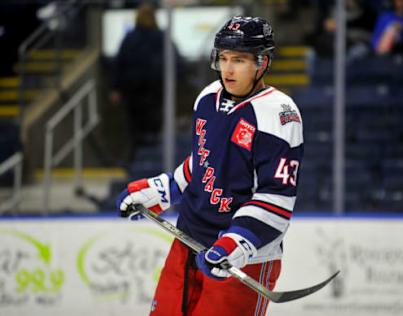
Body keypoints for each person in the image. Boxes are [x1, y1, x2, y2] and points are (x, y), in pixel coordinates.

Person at [116, 16, 304, 316]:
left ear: (262, 63)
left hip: (242, 260)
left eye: (239, 60)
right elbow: (203, 164)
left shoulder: (279, 114)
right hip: (187, 244)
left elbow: (277, 196)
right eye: (224, 58)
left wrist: (237, 243)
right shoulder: (206, 98)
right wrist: (160, 191)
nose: (228, 69)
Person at [110, 2, 183, 154]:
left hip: (134, 89)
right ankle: (154, 152)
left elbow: (119, 64)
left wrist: (116, 88)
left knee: (135, 125)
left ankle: (137, 155)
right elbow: (177, 62)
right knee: (155, 122)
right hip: (157, 88)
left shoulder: (130, 38)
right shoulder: (162, 37)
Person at [305, 0, 376, 61]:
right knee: (310, 54)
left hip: (354, 46)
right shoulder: (333, 12)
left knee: (357, 51)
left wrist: (352, 35)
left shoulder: (367, 13)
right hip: (333, 45)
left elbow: (370, 36)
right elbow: (324, 31)